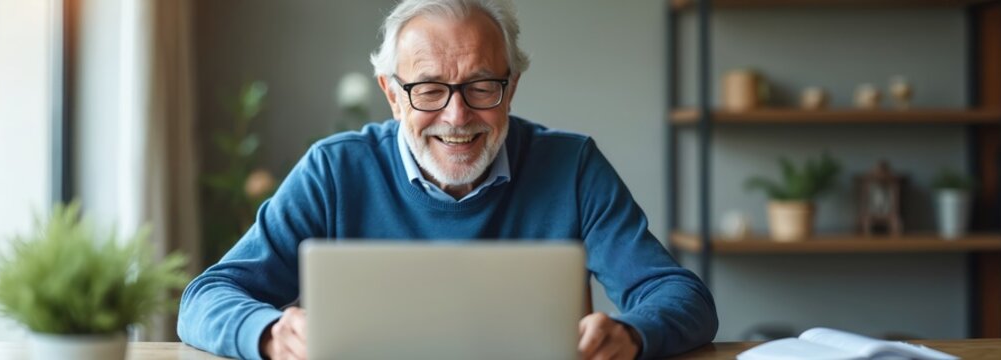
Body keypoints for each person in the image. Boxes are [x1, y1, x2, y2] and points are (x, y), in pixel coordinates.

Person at [177, 0, 718, 359]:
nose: (457, 117)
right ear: (392, 93)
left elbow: (681, 296)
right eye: (429, 89)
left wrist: (630, 333)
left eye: (482, 87)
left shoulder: (571, 165)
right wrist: (270, 333)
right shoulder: (335, 169)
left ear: (513, 86)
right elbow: (205, 296)